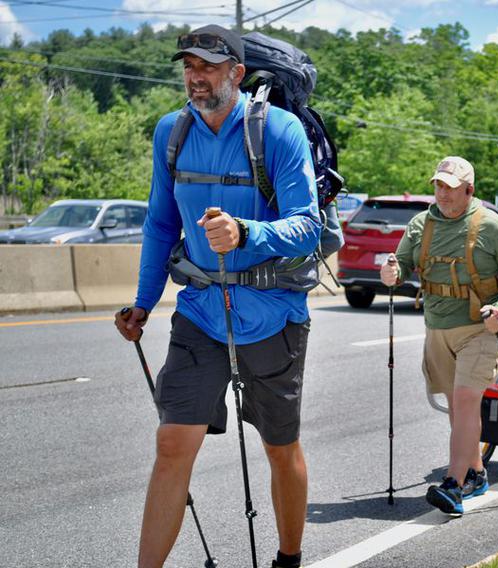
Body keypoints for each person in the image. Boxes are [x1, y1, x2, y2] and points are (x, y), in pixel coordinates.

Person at [114, 24, 320, 568]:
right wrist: (142, 300)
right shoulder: (171, 133)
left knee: (279, 448)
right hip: (201, 313)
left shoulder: (278, 132)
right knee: (171, 445)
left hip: (273, 313)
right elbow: (160, 225)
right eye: (188, 66)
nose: (195, 76)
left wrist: (247, 231)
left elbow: (308, 227)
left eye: (207, 66)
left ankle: (289, 559)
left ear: (236, 72)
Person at [379, 156, 498, 516]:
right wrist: (391, 271)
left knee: (464, 403)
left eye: (450, 187)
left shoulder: (490, 226)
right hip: (438, 330)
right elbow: (399, 267)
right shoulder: (420, 225)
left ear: (469, 190)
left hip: (480, 328)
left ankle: (453, 485)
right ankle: (476, 473)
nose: (442, 193)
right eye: (438, 185)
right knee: (457, 409)